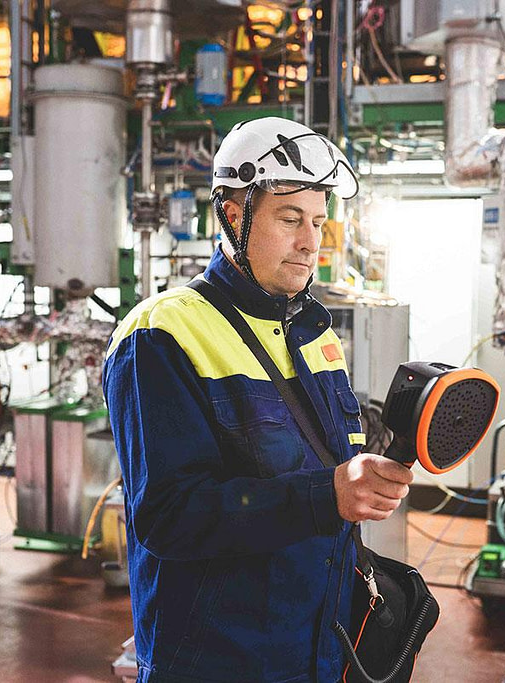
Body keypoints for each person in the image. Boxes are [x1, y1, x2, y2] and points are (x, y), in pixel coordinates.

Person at [103, 117, 414, 683]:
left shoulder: (315, 330)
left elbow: (326, 456)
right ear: (232, 212)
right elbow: (169, 516)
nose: (310, 242)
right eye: (290, 218)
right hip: (219, 658)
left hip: (319, 648)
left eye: (318, 221)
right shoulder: (162, 335)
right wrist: (329, 495)